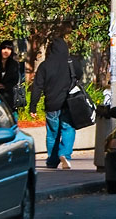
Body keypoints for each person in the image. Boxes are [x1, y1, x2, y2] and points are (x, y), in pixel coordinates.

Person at [30, 38, 82, 169]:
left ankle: (52, 161)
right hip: (68, 103)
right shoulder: (72, 62)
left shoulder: (45, 65)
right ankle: (65, 154)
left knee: (52, 133)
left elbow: (37, 87)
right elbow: (79, 75)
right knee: (68, 129)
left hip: (51, 104)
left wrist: (33, 106)